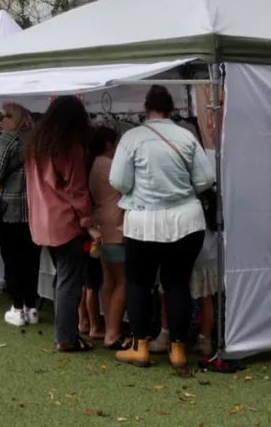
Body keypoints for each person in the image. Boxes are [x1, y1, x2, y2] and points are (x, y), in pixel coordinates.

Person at [110, 85, 215, 370]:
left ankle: (141, 347)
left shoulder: (132, 137)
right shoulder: (187, 136)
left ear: (147, 109)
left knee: (139, 284)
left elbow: (118, 181)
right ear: (171, 110)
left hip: (144, 222)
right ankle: (178, 350)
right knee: (177, 283)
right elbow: (206, 179)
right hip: (186, 221)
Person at [24, 96, 94, 352]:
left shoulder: (36, 145)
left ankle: (65, 332)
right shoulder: (70, 146)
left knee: (62, 278)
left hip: (42, 223)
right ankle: (66, 336)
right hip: (65, 222)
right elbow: (77, 189)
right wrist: (88, 220)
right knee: (69, 281)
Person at [0, 102, 39, 326]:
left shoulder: (7, 140)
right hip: (35, 207)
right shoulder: (36, 140)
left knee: (12, 258)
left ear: (13, 118)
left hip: (12, 206)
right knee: (31, 259)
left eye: (4, 116)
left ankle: (17, 308)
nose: (1, 121)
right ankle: (32, 307)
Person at [89, 126, 127, 350]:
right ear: (108, 145)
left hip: (100, 224)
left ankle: (109, 328)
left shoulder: (93, 164)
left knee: (108, 280)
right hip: (116, 226)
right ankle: (113, 332)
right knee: (122, 280)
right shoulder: (109, 165)